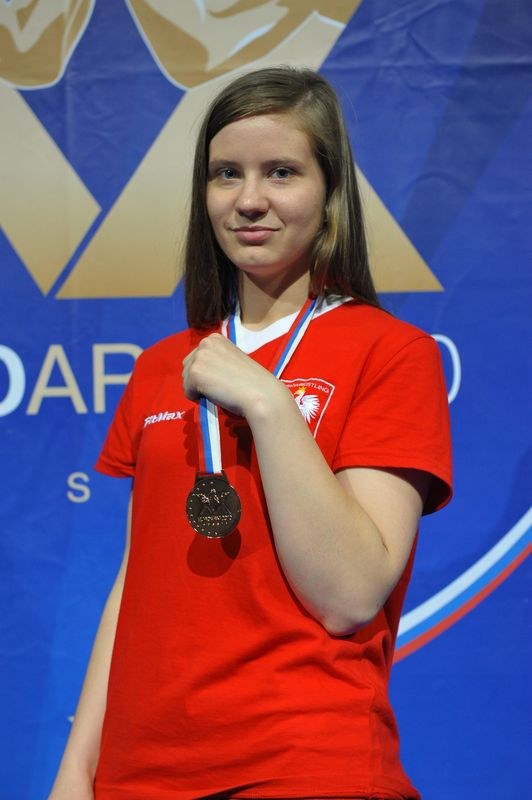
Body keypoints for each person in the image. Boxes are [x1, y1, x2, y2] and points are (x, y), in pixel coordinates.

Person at [49, 66, 452, 800]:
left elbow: (351, 592)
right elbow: (136, 584)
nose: (250, 199)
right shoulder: (160, 369)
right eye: (226, 174)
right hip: (140, 775)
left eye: (282, 172)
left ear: (330, 194)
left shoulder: (392, 354)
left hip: (302, 761)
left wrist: (269, 405)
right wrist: (78, 769)